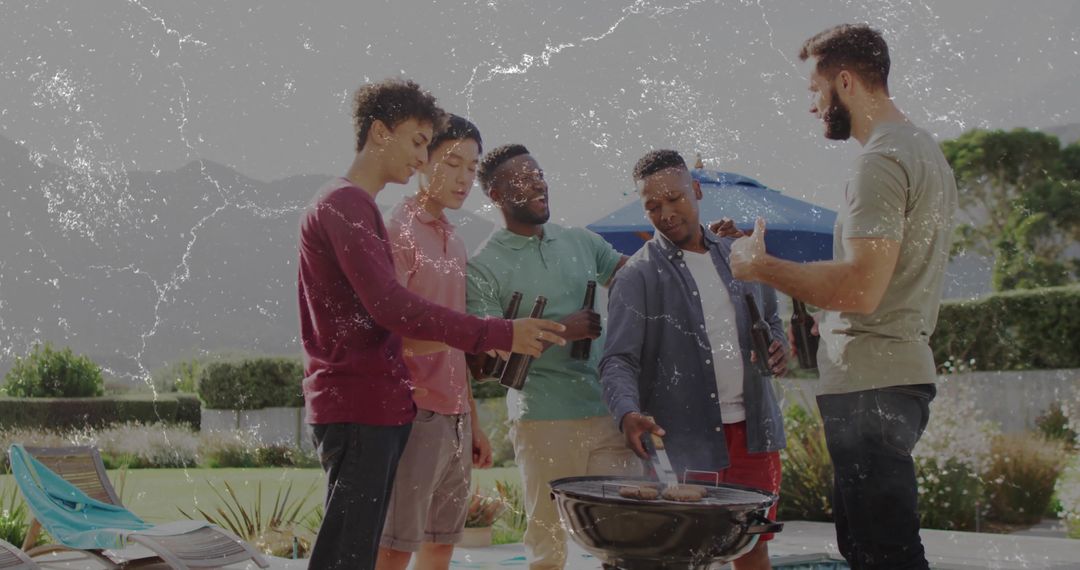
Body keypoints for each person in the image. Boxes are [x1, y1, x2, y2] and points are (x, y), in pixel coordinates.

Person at [297, 80, 566, 570]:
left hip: (385, 407)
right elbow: (393, 309)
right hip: (366, 404)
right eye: (421, 143)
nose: (422, 159)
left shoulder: (361, 209)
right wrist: (501, 333)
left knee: (352, 552)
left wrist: (473, 413)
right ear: (380, 132)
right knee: (354, 554)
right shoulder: (351, 205)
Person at [727, 24, 958, 569]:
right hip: (895, 374)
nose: (812, 105)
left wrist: (760, 267)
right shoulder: (924, 149)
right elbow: (883, 281)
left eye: (815, 89)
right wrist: (824, 310)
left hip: (870, 385)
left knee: (882, 554)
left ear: (847, 82)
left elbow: (860, 285)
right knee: (876, 548)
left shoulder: (878, 159)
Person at [600, 150, 787, 570]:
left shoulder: (741, 257)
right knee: (681, 554)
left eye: (675, 199)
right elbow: (617, 361)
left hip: (755, 436)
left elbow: (773, 321)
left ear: (697, 191)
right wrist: (627, 412)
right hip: (684, 441)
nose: (665, 213)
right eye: (652, 206)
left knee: (753, 548)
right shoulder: (636, 277)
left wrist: (779, 348)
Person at [466, 143, 641, 570]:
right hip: (544, 419)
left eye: (539, 173)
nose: (538, 182)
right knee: (547, 542)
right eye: (522, 178)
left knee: (625, 532)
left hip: (606, 411)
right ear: (496, 194)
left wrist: (697, 247)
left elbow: (638, 278)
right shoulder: (482, 267)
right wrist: (565, 330)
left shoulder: (580, 241)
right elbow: (486, 358)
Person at [375, 114, 494, 570]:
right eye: (452, 163)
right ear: (423, 160)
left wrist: (474, 420)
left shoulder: (456, 240)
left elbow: (458, 341)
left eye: (472, 167)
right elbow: (389, 333)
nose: (464, 178)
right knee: (395, 547)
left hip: (456, 416)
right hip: (413, 414)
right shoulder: (397, 231)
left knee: (441, 543)